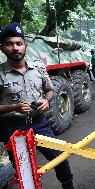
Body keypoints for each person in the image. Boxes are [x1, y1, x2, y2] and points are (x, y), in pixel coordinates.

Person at [0, 22, 74, 189]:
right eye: (9, 44)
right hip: (13, 128)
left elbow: (49, 90)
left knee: (59, 158)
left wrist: (46, 100)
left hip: (39, 123)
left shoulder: (39, 68)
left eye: (19, 43)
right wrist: (14, 107)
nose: (15, 48)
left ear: (25, 46)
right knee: (23, 170)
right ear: (2, 48)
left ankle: (68, 186)